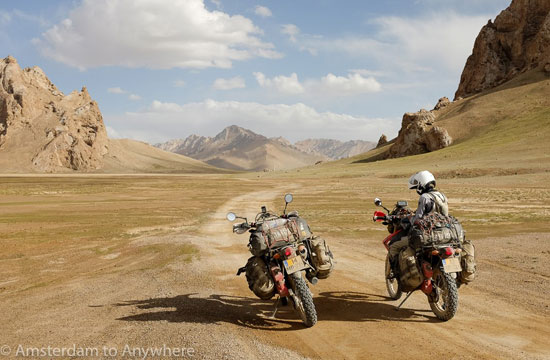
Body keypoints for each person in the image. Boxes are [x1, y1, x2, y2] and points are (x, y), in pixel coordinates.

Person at [388, 170, 448, 268]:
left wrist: (410, 218)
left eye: (418, 185)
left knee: (394, 246)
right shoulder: (442, 196)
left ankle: (395, 272)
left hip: (427, 234)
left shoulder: (424, 197)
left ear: (422, 184)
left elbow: (418, 218)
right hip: (443, 232)